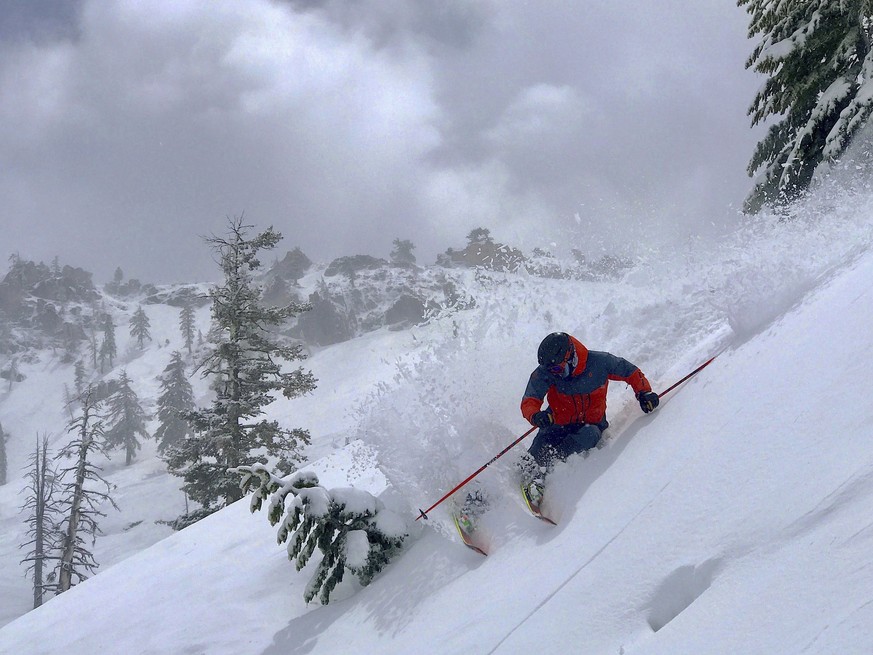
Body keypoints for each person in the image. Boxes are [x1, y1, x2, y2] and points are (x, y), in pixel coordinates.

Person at [519, 332, 659, 501]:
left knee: (588, 436)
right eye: (549, 371)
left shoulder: (599, 362)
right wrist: (535, 416)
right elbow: (530, 399)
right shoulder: (547, 372)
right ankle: (507, 487)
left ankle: (546, 473)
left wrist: (644, 393)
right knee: (536, 452)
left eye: (557, 369)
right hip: (556, 422)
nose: (553, 374)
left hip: (590, 425)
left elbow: (630, 372)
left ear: (571, 356)